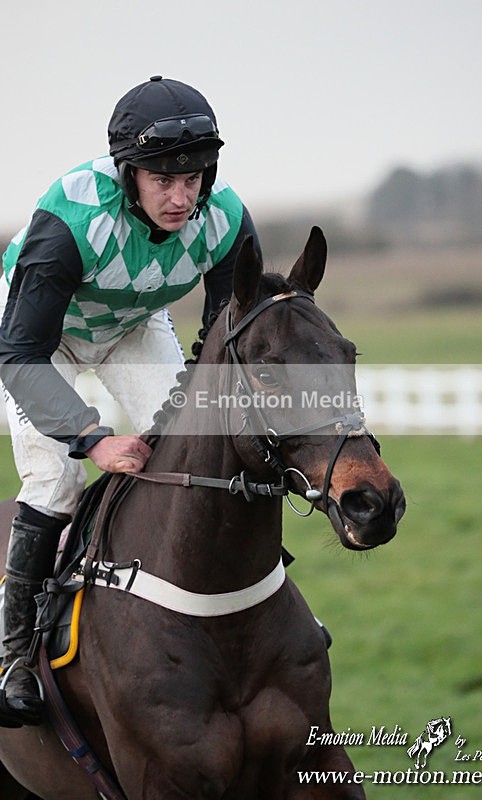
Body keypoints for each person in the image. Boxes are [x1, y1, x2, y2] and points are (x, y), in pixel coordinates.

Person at [0, 75, 261, 727]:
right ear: (127, 174)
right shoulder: (71, 220)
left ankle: (248, 607)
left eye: (193, 178)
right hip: (39, 339)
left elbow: (225, 335)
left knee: (196, 444)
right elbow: (20, 354)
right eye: (162, 180)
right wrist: (92, 438)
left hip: (131, 326)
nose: (181, 198)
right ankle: (14, 657)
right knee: (56, 478)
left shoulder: (226, 220)